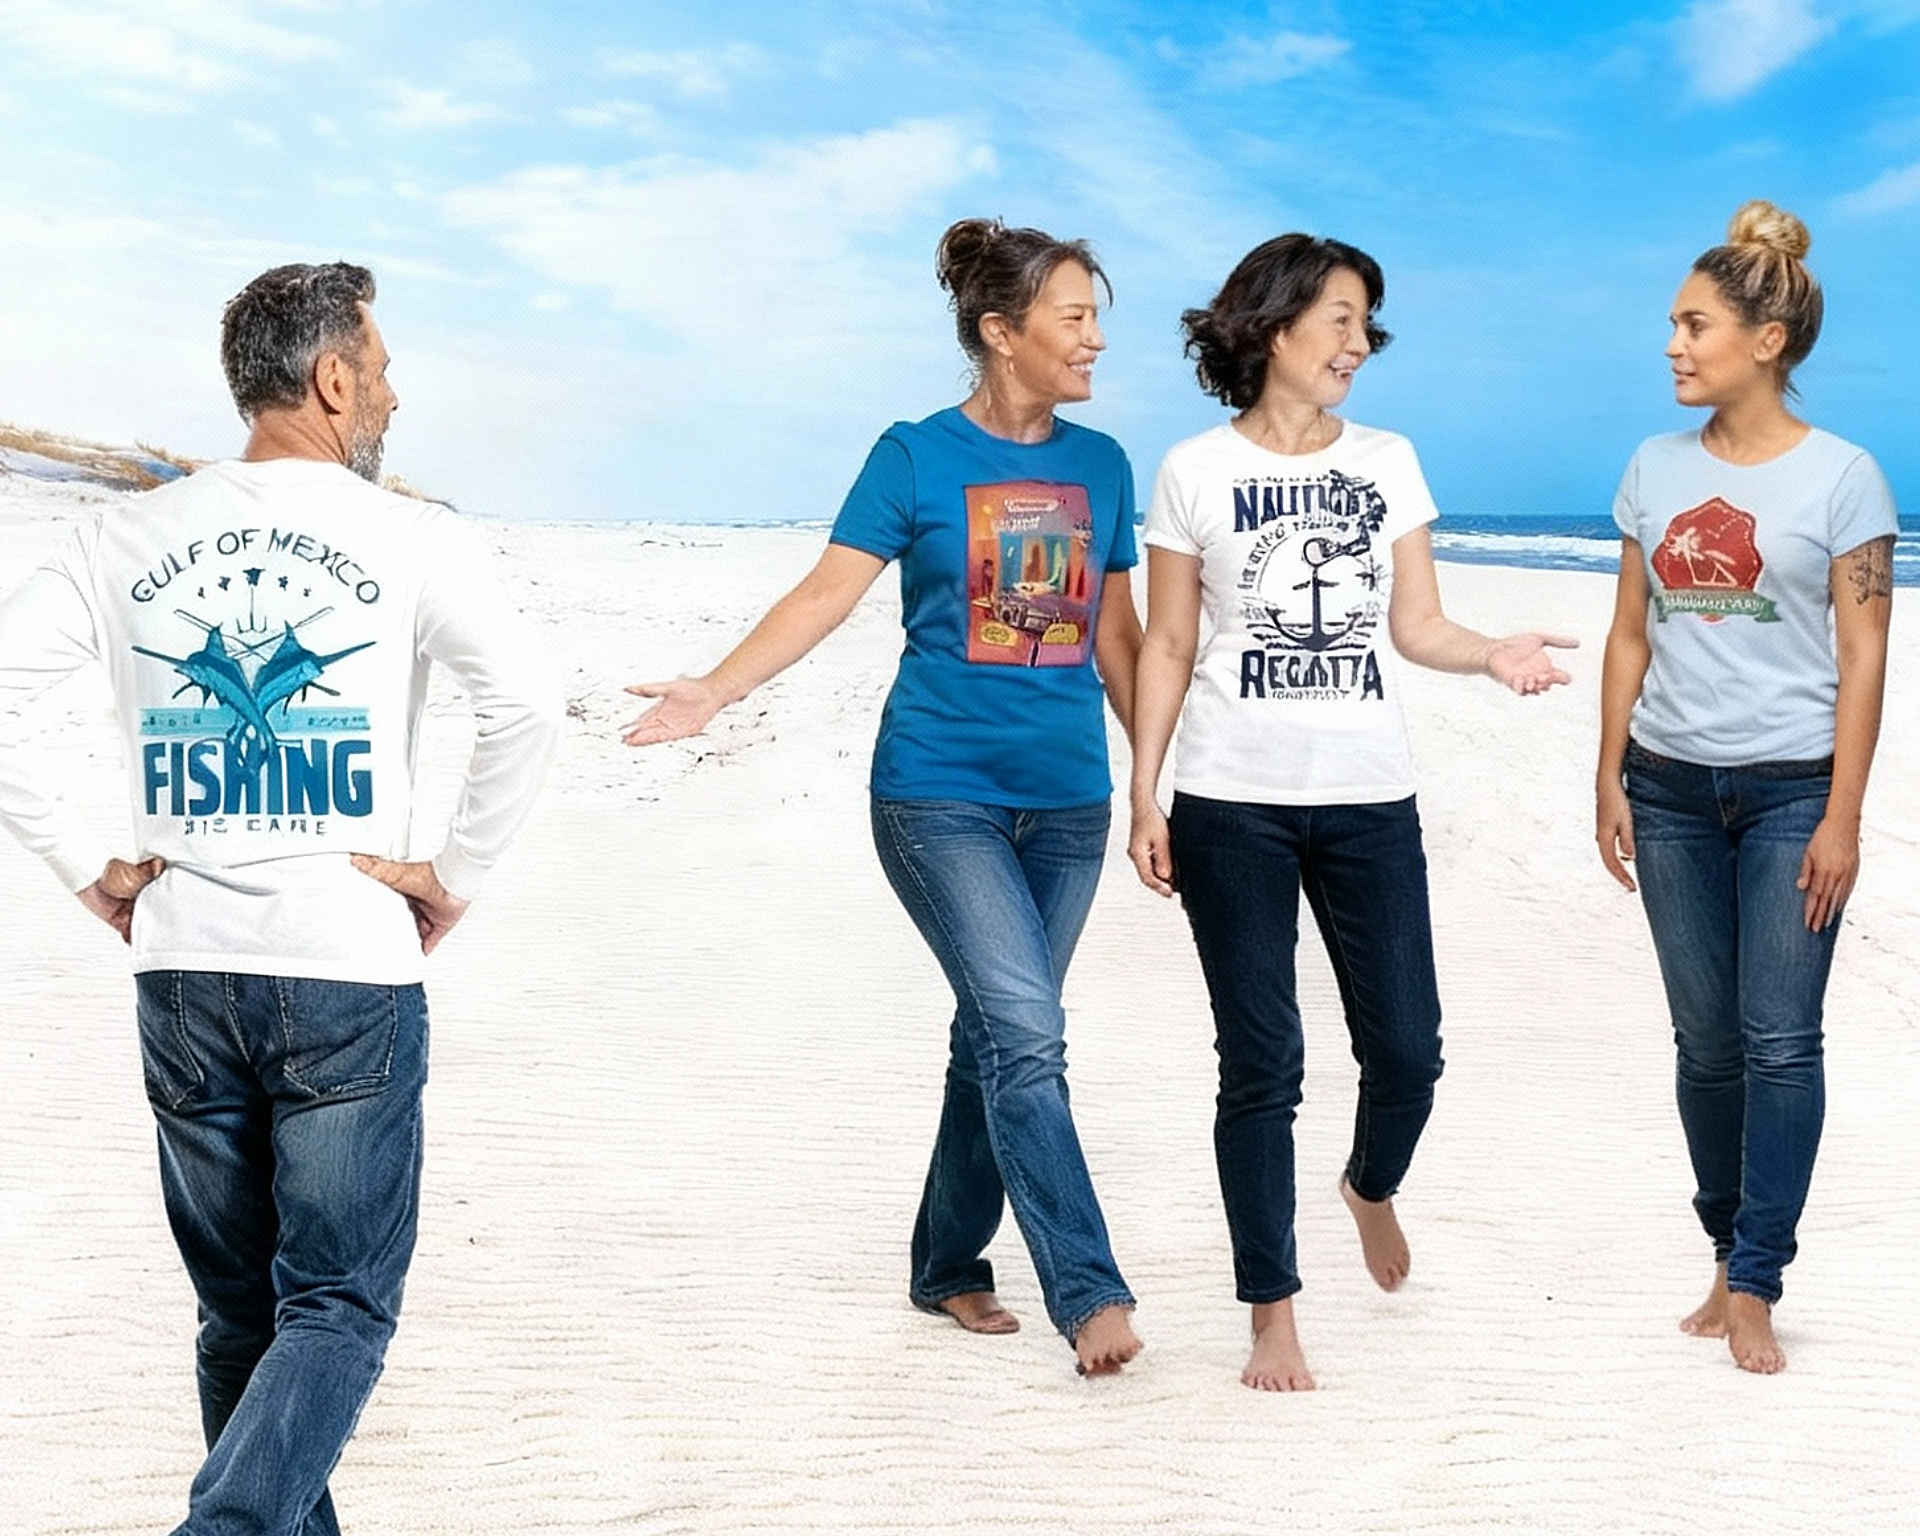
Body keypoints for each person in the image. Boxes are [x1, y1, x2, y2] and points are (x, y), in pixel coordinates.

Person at [0, 263, 560, 1532]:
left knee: (240, 1317)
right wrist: (451, 877)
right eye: (382, 367)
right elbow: (525, 706)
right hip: (345, 968)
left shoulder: (124, 534)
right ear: (330, 378)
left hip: (183, 968)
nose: (394, 395)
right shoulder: (412, 536)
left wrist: (87, 869)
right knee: (338, 1307)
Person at [623, 218, 1145, 1376]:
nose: (1095, 337)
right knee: (1026, 1032)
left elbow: (1118, 636)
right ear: (1002, 332)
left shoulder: (1103, 466)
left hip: (1070, 807)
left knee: (996, 1040)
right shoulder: (914, 456)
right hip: (938, 796)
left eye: (1096, 315)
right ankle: (1090, 1290)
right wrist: (715, 688)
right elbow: (822, 594)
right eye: (1073, 316)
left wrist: (1160, 778)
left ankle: (946, 1264)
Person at [1127, 233, 1574, 1391]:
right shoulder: (1192, 470)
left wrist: (1492, 655)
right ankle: (1272, 1309)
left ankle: (1368, 1184)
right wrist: (1146, 788)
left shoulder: (1388, 461)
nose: (1358, 343)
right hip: (1230, 798)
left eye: (1366, 322)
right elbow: (1171, 639)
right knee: (1261, 1063)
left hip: (1369, 798)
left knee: (1409, 1053)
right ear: (1273, 327)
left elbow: (1417, 626)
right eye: (1339, 318)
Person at [1596, 201, 1895, 1375]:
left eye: (1694, 323)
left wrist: (1842, 816)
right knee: (1704, 1044)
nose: (1673, 344)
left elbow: (1867, 655)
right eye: (1672, 323)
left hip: (1789, 797)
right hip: (1667, 788)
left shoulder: (1846, 478)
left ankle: (1759, 1277)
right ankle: (1722, 1248)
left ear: (1766, 340)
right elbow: (1629, 633)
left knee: (1781, 1040)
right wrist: (1610, 774)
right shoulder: (1649, 468)